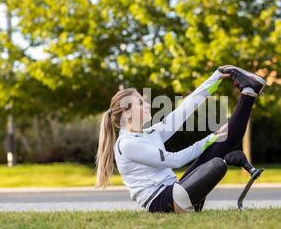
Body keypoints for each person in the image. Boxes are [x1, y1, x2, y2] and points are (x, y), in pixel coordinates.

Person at [95, 65, 266, 213]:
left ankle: (249, 92)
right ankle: (248, 93)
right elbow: (175, 160)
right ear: (127, 113)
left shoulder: (148, 133)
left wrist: (215, 77)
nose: (147, 105)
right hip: (167, 202)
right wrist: (210, 138)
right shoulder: (128, 144)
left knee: (223, 140)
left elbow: (185, 109)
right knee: (216, 162)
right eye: (140, 102)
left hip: (177, 191)